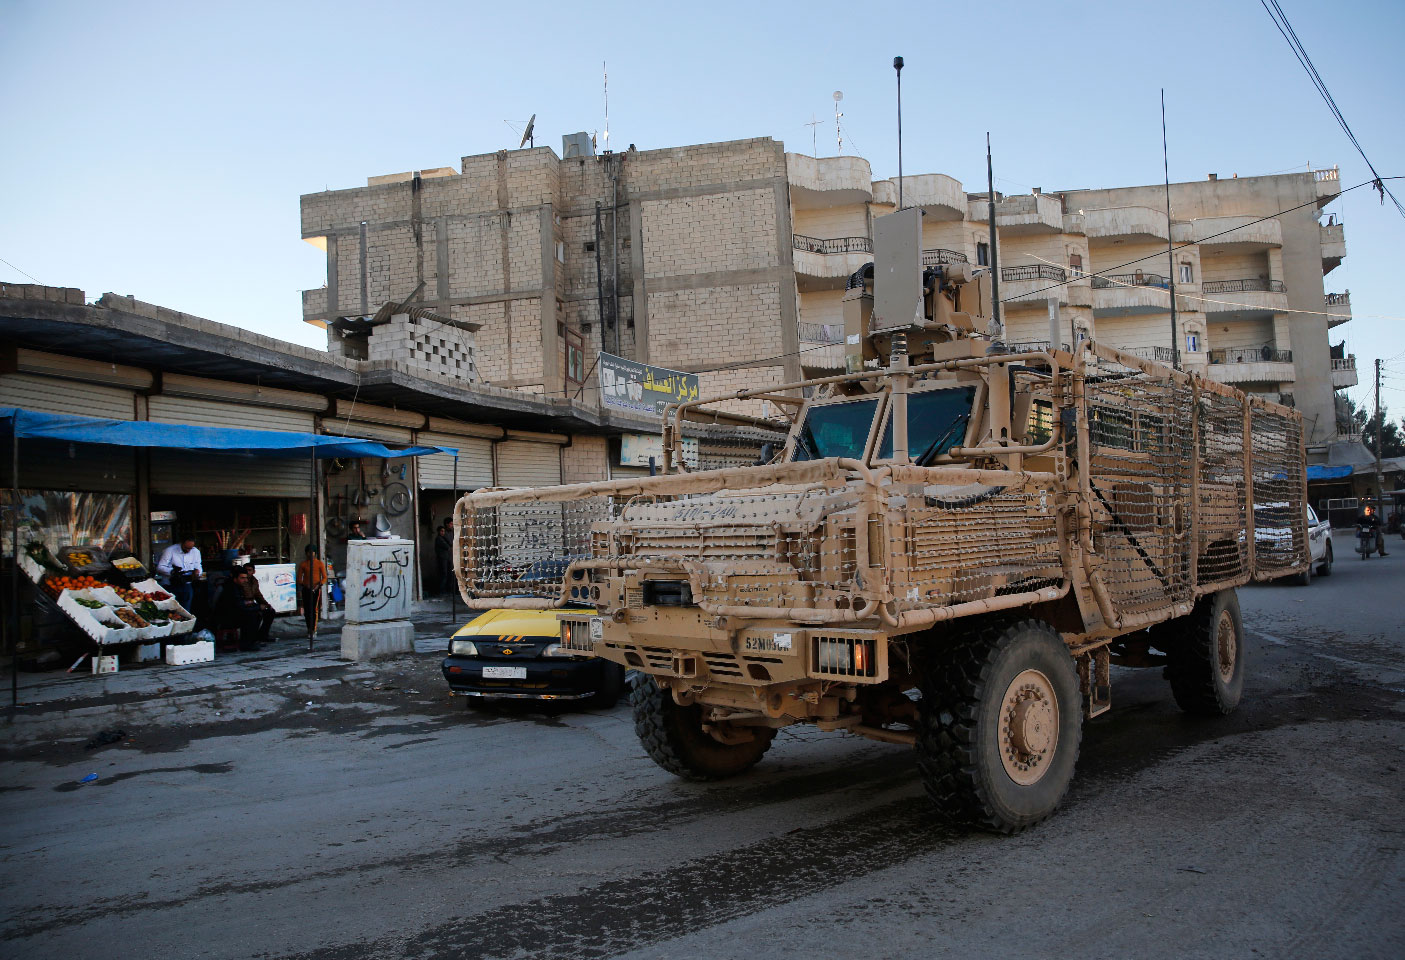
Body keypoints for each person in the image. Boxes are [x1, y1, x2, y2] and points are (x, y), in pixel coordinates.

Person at [215, 568, 264, 651]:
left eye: (246, 578)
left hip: (234, 613)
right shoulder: (231, 588)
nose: (245, 580)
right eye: (242, 578)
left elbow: (242, 603)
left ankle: (251, 641)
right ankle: (246, 644)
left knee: (256, 614)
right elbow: (239, 606)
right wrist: (258, 607)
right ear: (235, 578)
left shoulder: (238, 586)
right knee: (251, 615)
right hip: (226, 618)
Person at [156, 537, 203, 612]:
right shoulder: (170, 550)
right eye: (186, 548)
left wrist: (198, 571)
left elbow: (198, 565)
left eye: (190, 548)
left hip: (187, 584)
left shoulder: (195, 552)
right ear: (182, 543)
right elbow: (160, 567)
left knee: (185, 610)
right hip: (171, 584)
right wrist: (172, 571)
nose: (188, 550)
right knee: (172, 610)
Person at [296, 545, 328, 647]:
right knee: (307, 610)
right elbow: (299, 578)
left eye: (312, 552)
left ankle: (313, 630)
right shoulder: (303, 564)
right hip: (306, 589)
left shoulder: (319, 564)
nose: (311, 554)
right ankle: (308, 629)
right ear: (306, 553)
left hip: (316, 589)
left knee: (314, 609)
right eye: (309, 552)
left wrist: (318, 585)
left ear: (315, 553)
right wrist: (305, 585)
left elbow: (324, 577)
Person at [239, 560, 277, 644]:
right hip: (245, 604)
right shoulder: (242, 581)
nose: (248, 572)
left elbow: (258, 595)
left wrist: (266, 604)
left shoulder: (254, 581)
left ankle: (263, 635)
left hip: (252, 603)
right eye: (246, 570)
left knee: (270, 612)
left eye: (250, 570)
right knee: (256, 614)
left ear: (253, 571)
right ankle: (252, 639)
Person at [434, 523, 454, 595]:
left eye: (443, 531)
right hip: (442, 559)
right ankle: (441, 591)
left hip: (446, 558)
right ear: (438, 532)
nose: (443, 533)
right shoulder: (439, 539)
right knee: (444, 574)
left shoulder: (443, 538)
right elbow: (447, 547)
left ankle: (447, 589)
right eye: (441, 531)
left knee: (448, 574)